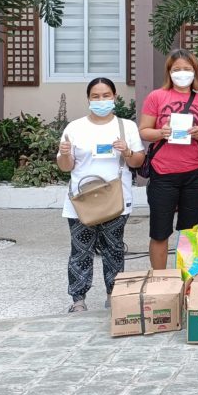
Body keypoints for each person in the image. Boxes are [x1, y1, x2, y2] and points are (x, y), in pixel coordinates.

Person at [57, 78, 145, 312]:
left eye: (106, 95)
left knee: (114, 249)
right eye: (95, 96)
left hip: (116, 199)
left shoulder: (126, 126)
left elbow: (138, 161)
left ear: (114, 97)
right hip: (82, 200)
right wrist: (65, 154)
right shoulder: (74, 127)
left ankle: (113, 294)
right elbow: (66, 166)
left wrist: (126, 150)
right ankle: (78, 300)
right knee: (81, 250)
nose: (101, 100)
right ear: (88, 99)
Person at [139, 50, 198, 270]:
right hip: (163, 174)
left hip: (195, 174)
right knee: (160, 232)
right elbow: (144, 131)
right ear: (169, 73)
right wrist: (161, 133)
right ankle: (161, 280)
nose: (182, 73)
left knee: (191, 232)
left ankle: (187, 281)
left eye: (187, 69)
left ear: (195, 72)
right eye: (177, 69)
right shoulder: (157, 97)